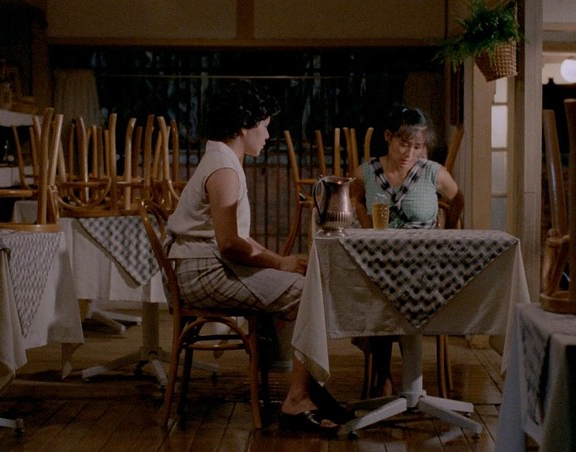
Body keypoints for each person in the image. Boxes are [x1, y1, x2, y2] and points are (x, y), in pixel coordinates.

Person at [167, 80, 348, 433]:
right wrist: (279, 263)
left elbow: (236, 238)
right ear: (242, 127)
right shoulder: (223, 168)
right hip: (204, 273)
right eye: (263, 126)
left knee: (301, 282)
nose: (267, 135)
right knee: (306, 292)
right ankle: (298, 398)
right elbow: (229, 244)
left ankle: (308, 387)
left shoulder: (223, 158)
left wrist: (280, 261)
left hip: (206, 266)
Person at [349, 106, 464, 397]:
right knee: (377, 288)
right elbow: (354, 198)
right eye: (403, 144)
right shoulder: (367, 172)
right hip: (380, 261)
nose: (409, 153)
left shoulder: (432, 172)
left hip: (423, 264)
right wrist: (366, 226)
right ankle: (383, 373)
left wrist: (448, 233)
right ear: (388, 137)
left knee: (397, 291)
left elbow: (458, 199)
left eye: (417, 146)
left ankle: (406, 377)